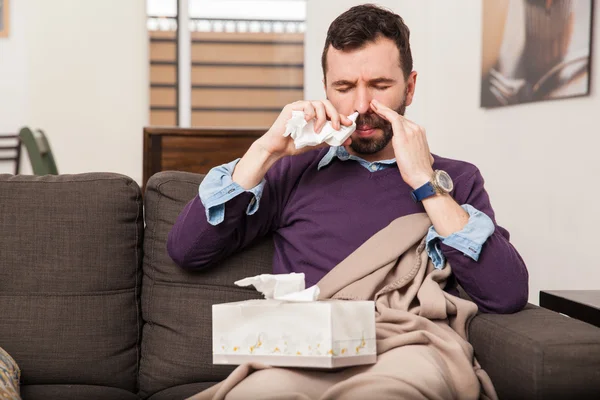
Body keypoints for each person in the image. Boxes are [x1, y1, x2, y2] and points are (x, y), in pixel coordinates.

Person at [167, 4, 528, 314]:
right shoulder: (291, 172)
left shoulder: (455, 181)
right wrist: (265, 150)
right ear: (325, 89)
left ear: (410, 87)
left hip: (404, 350)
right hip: (307, 353)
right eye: (343, 87)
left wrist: (424, 180)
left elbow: (506, 294)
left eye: (380, 85)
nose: (360, 106)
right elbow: (188, 251)